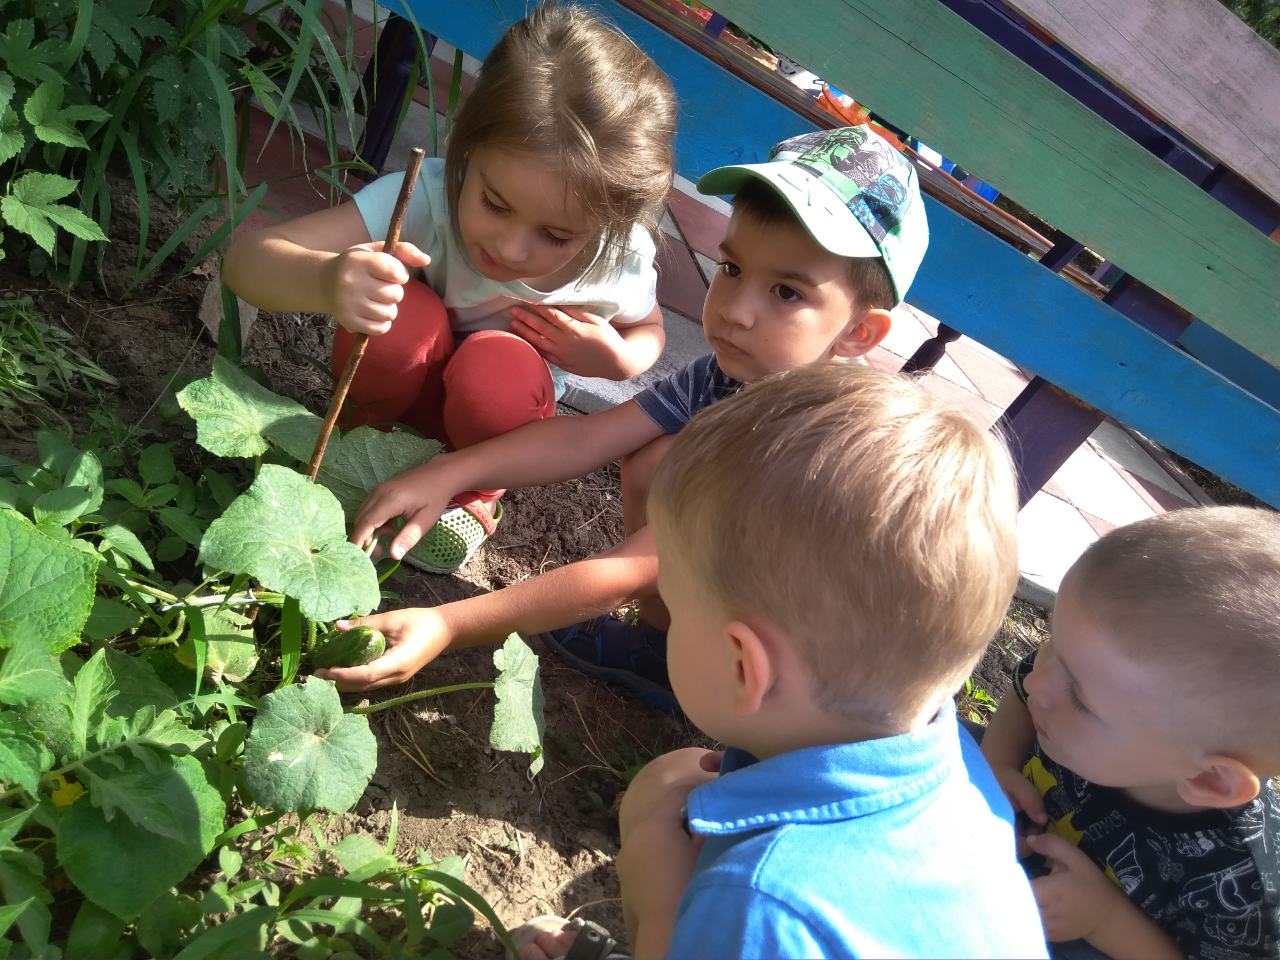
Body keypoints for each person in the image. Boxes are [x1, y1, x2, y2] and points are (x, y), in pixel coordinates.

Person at [322, 125, 928, 703]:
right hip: (758, 603)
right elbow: (589, 436)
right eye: (733, 269)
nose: (735, 311)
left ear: (859, 333)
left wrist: (450, 623)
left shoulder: (818, 443)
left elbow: (630, 568)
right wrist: (450, 472)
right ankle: (663, 653)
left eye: (787, 293)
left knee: (678, 484)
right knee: (659, 458)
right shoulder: (732, 375)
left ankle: (712, 690)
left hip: (821, 680)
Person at [517, 363, 1049, 959]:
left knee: (656, 844)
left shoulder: (761, 902)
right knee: (672, 780)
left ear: (746, 665)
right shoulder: (960, 772)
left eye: (676, 605)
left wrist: (664, 904)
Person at [223, 3, 676, 573]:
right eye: (494, 203)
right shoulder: (424, 197)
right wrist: (326, 280)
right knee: (402, 320)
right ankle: (365, 449)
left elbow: (648, 329)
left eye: (557, 236)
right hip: (392, 389)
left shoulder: (620, 258)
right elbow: (247, 261)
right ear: (467, 147)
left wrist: (615, 360)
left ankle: (474, 496)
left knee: (499, 371)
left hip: (492, 433)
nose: (511, 250)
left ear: (609, 223)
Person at [981, 506, 1280, 959]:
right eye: (1052, 646)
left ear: (1209, 780)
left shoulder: (1245, 884)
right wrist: (997, 763)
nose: (1038, 683)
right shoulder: (1084, 690)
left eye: (1080, 697)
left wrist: (1106, 919)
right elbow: (1024, 700)